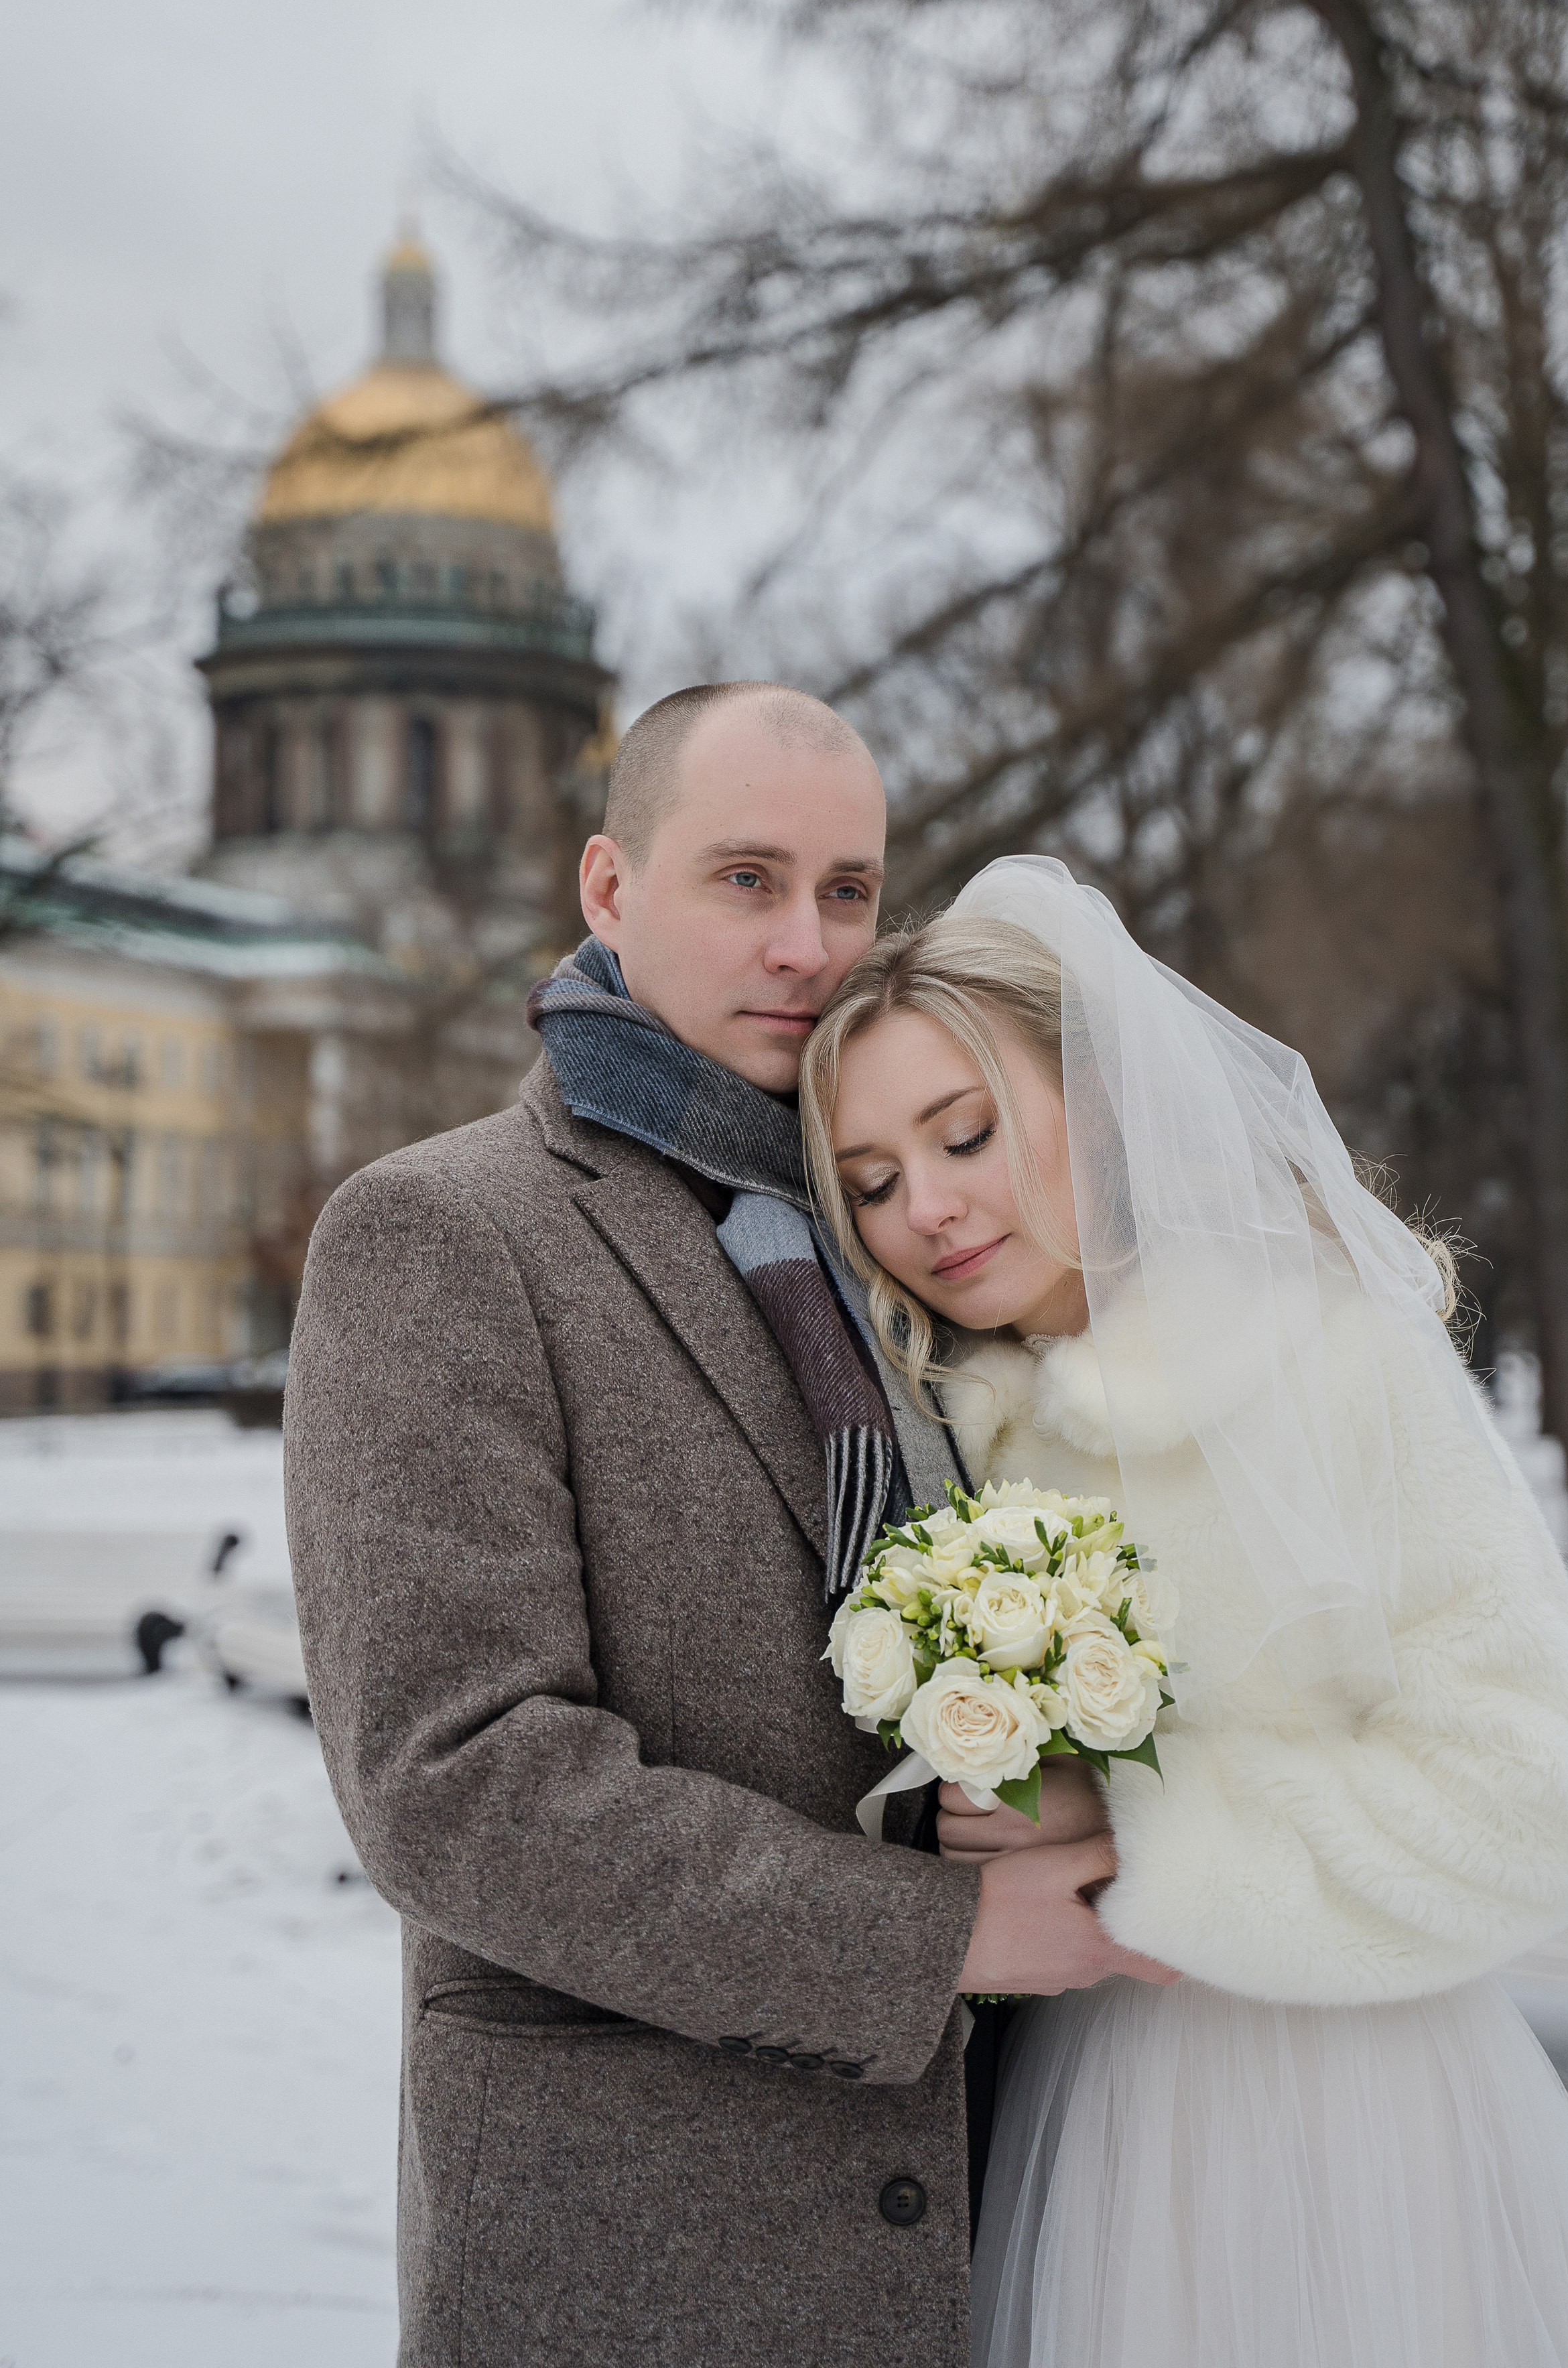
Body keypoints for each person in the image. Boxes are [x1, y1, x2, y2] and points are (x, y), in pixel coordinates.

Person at [285, 689, 1167, 2368]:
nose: (806, 945)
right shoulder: (443, 1232)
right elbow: (454, 1778)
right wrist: (941, 1937)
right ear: (608, 887)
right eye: (746, 879)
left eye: (848, 891)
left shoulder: (911, 1230)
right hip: (644, 2242)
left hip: (1000, 2209)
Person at [799, 853, 1568, 2368]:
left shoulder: (1333, 1359)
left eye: (966, 1133)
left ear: (1097, 1100)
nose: (925, 1209)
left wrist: (1139, 1831)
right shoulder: (953, 1438)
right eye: (870, 1182)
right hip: (1085, 2125)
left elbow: (1535, 1801)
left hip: (1353, 2123)